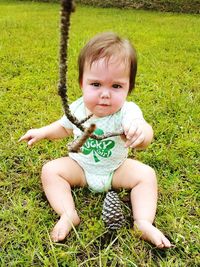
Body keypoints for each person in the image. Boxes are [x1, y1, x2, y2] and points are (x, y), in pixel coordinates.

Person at [19, 32, 171, 248]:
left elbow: (146, 134)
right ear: (82, 83)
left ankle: (143, 222)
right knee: (50, 170)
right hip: (80, 168)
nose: (105, 94)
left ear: (129, 87)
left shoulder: (128, 112)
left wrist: (141, 132)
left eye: (116, 86)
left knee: (146, 175)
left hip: (116, 169)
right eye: (96, 84)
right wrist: (43, 131)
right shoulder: (77, 108)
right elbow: (63, 127)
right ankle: (68, 214)